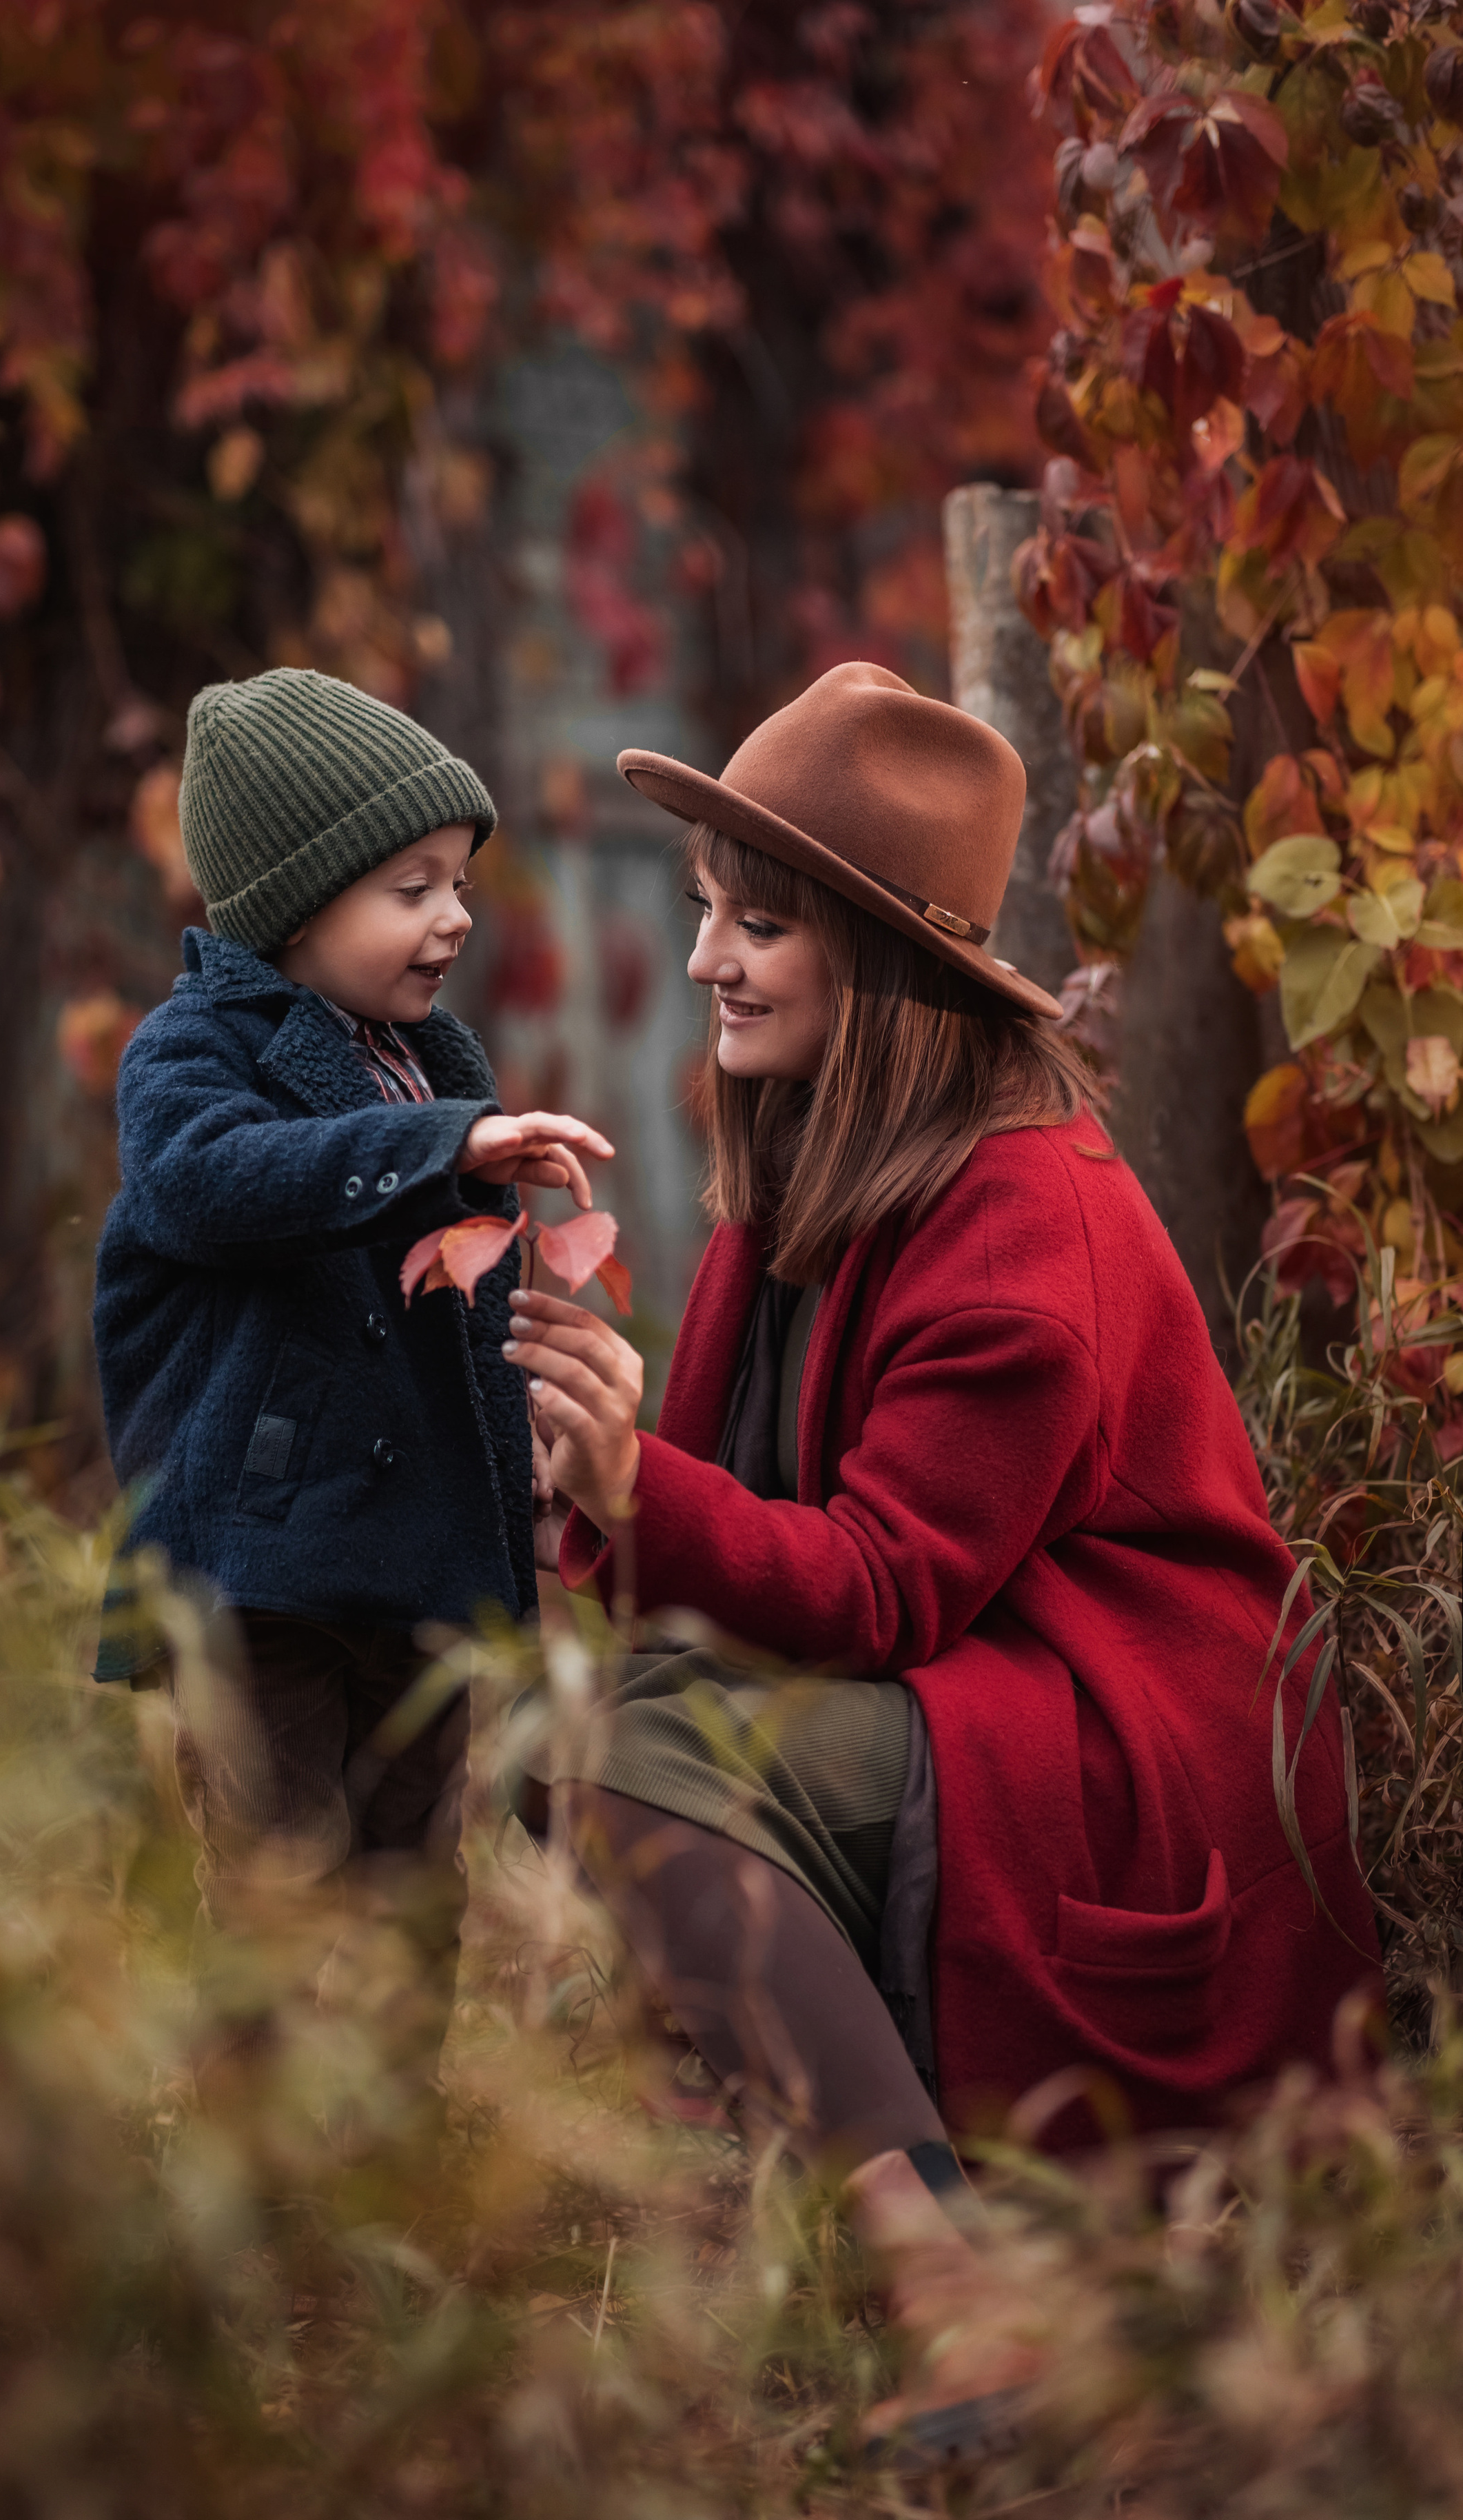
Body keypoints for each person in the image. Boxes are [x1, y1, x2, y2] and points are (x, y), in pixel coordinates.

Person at [504, 661, 1381, 2446]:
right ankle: (791, 2222)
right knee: (607, 1719)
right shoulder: (810, 1174)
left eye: (758, 927)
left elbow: (875, 1585)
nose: (704, 966)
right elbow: (728, 1544)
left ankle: (953, 2284)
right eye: (705, 918)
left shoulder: (1026, 1212)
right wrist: (578, 1481)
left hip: (1132, 1742)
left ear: (884, 960)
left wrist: (631, 1488)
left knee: (645, 1744)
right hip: (978, 1688)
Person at [93, 667, 608, 2048]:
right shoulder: (195, 1054)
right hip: (260, 1557)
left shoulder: (432, 1058)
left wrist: (523, 1507)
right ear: (294, 902)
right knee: (277, 1872)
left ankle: (388, 2190)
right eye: (410, 886)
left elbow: (461, 1315)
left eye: (456, 881)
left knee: (407, 1878)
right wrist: (435, 1149)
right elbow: (212, 1183)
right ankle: (258, 2190)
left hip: (415, 1561)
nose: (452, 916)